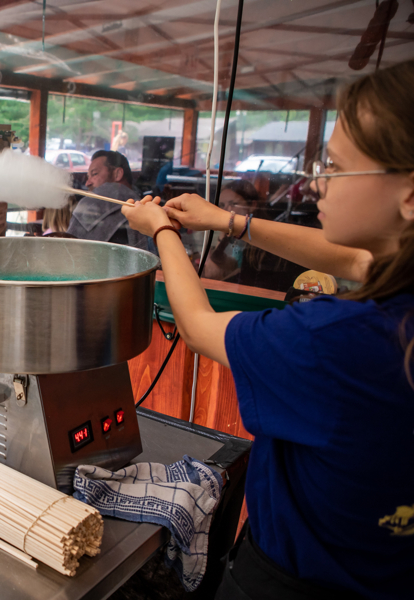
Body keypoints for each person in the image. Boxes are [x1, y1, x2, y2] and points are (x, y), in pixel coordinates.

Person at [121, 60, 414, 599]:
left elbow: (198, 327)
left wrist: (161, 230)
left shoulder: (335, 340)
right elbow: (357, 259)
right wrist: (226, 220)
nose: (316, 181)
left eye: (336, 167)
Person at [67, 150, 149, 249]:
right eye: (88, 176)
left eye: (94, 174)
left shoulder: (89, 204)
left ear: (118, 174)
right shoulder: (142, 206)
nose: (87, 183)